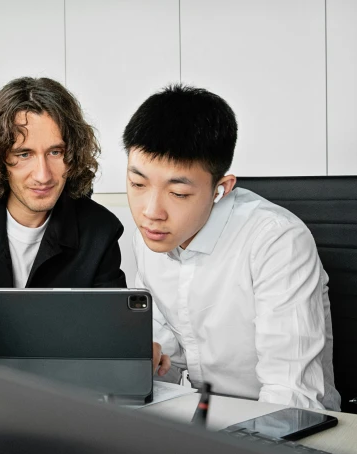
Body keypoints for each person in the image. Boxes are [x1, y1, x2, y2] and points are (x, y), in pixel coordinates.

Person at [0, 77, 170, 375]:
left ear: (72, 154)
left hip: (55, 395)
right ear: (0, 158)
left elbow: (107, 332)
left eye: (56, 152)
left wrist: (132, 348)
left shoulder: (98, 230)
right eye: (24, 154)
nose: (43, 175)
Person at [124, 84, 340, 410]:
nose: (150, 212)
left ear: (220, 189)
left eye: (178, 193)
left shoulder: (277, 242)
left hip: (284, 432)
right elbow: (168, 360)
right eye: (138, 184)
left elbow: (293, 398)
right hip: (203, 419)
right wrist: (147, 364)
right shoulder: (152, 237)